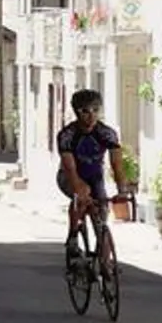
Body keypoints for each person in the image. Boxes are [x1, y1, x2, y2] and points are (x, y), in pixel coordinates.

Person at [56, 88, 129, 268]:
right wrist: (79, 189)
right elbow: (70, 168)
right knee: (82, 195)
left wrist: (122, 190)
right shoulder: (67, 135)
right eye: (85, 111)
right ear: (77, 112)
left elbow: (117, 165)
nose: (91, 116)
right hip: (68, 175)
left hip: (95, 177)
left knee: (101, 216)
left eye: (96, 110)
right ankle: (73, 235)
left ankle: (106, 266)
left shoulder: (107, 133)